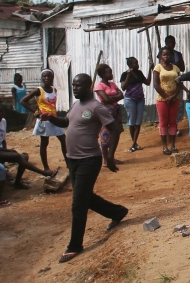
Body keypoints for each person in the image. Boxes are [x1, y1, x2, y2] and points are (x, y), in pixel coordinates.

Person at [39, 73, 128, 264]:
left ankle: (75, 245)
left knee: (78, 202)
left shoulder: (96, 107)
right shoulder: (75, 105)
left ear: (88, 87)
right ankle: (117, 212)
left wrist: (109, 156)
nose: (74, 88)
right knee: (85, 196)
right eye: (73, 85)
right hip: (73, 160)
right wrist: (50, 118)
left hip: (89, 159)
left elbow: (115, 130)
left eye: (78, 86)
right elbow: (66, 123)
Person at [0, 104, 55, 188]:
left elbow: (3, 140)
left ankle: (17, 182)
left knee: (24, 157)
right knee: (16, 156)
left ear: (4, 112)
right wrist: (7, 151)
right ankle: (43, 172)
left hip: (1, 151)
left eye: (1, 111)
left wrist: (5, 151)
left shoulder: (3, 121)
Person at [21, 69, 67, 172]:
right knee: (44, 143)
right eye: (44, 76)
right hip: (44, 120)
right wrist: (36, 112)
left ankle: (69, 163)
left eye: (49, 76)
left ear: (52, 77)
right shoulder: (38, 90)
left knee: (63, 140)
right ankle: (46, 167)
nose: (46, 78)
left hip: (54, 118)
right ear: (42, 78)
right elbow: (23, 101)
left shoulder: (54, 90)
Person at [151, 47, 181, 155]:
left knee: (173, 122)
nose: (166, 56)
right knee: (163, 123)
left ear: (172, 56)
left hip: (174, 99)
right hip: (162, 100)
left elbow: (179, 84)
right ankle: (165, 146)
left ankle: (173, 145)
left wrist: (173, 96)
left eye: (168, 55)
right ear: (160, 56)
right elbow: (156, 84)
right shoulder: (157, 68)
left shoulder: (176, 68)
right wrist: (166, 97)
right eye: (164, 55)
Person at [94, 64, 126, 164]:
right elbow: (106, 99)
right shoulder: (99, 86)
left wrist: (111, 99)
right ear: (103, 74)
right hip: (105, 113)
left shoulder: (112, 84)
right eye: (109, 73)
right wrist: (115, 98)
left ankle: (111, 156)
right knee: (105, 135)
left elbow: (122, 95)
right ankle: (105, 159)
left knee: (115, 134)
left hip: (115, 112)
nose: (112, 74)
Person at [120, 57, 149, 153]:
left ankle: (134, 143)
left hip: (140, 99)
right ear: (130, 65)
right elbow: (123, 88)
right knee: (132, 121)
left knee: (138, 122)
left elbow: (147, 82)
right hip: (130, 100)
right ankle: (134, 143)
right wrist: (128, 76)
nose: (137, 65)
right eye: (135, 63)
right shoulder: (124, 74)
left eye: (137, 63)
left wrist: (150, 69)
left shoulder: (139, 73)